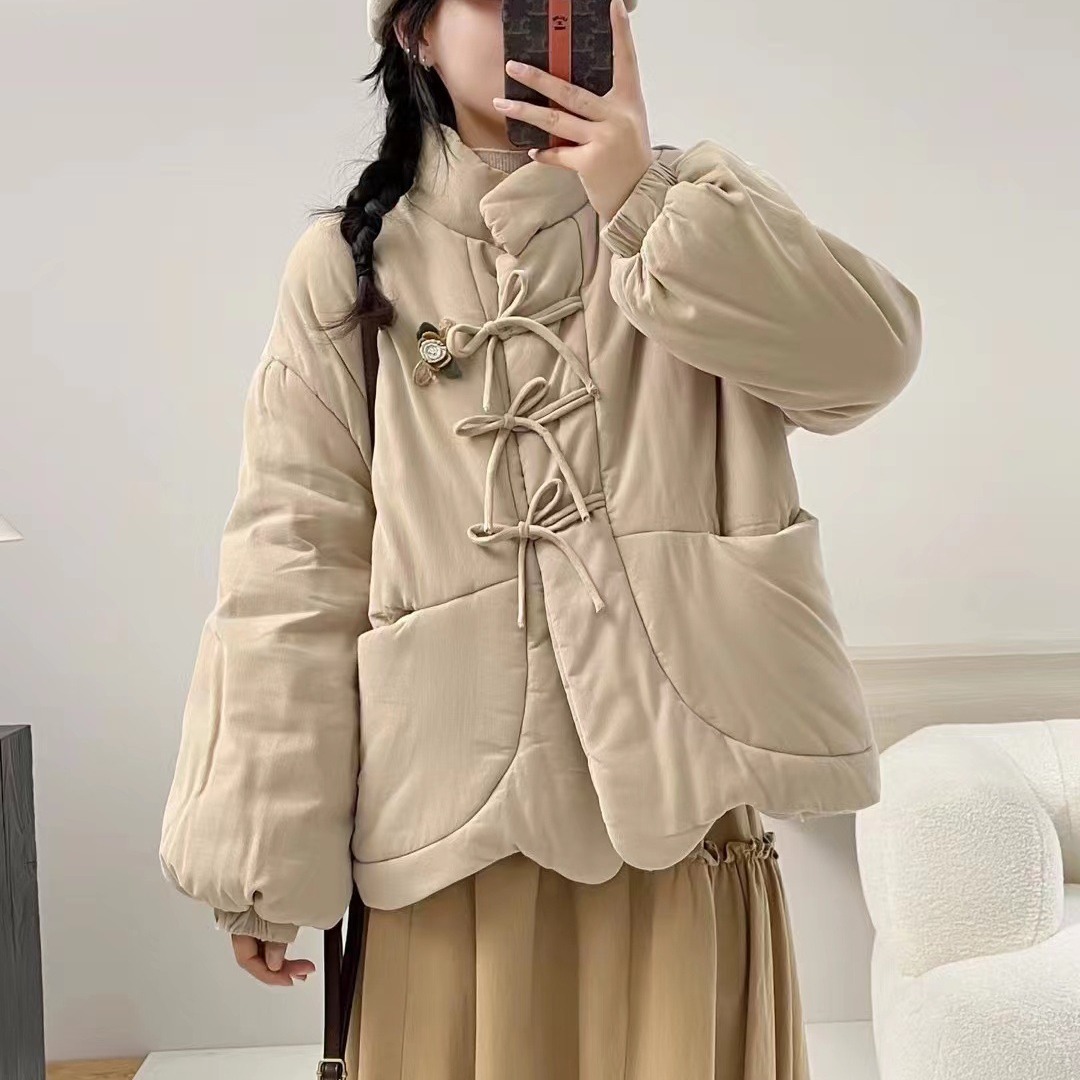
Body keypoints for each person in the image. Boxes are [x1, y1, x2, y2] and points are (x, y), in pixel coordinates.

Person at [159, 0, 922, 1077]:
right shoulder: (348, 267)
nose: (541, 10)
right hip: (448, 851)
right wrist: (261, 855)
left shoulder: (685, 220)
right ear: (414, 33)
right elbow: (294, 560)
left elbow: (867, 365)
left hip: (677, 830)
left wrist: (639, 200)